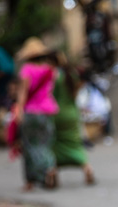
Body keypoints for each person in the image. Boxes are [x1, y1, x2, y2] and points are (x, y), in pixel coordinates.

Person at [13, 37, 59, 191]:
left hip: (31, 112)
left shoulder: (27, 70)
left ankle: (32, 180)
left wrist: (19, 110)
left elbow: (23, 93)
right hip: (48, 111)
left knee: (30, 146)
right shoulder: (50, 70)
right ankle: (50, 167)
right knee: (45, 144)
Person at [48, 52, 96, 185]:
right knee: (75, 142)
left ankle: (53, 172)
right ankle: (87, 168)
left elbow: (50, 97)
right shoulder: (72, 75)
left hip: (58, 114)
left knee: (56, 144)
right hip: (72, 113)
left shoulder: (54, 76)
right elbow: (75, 95)